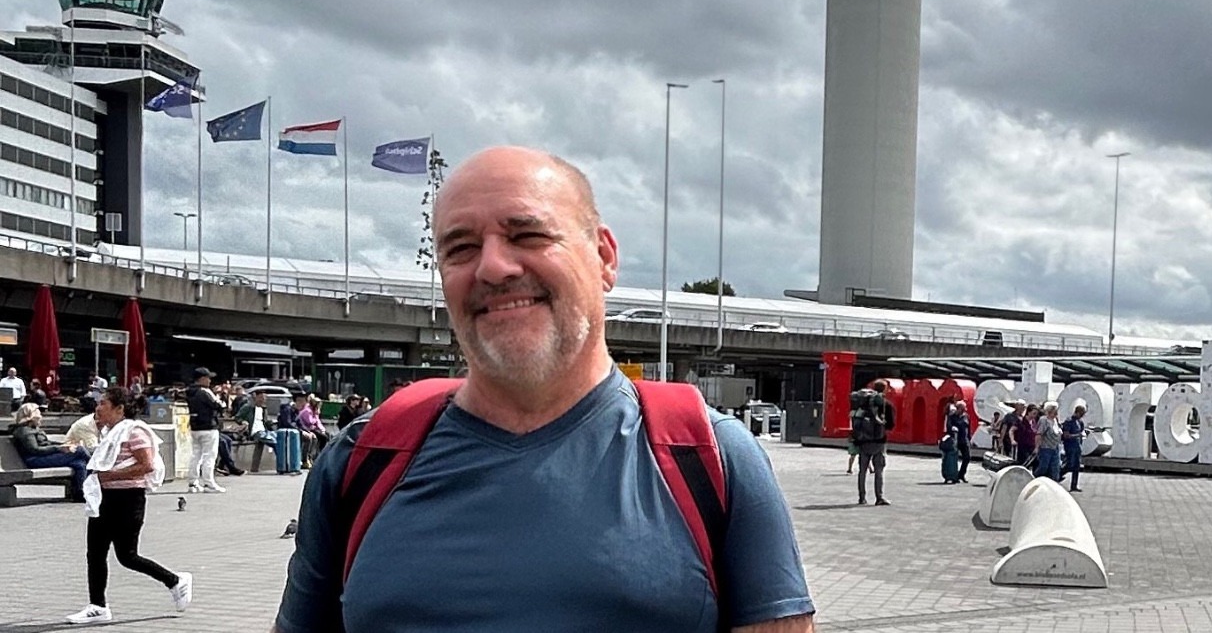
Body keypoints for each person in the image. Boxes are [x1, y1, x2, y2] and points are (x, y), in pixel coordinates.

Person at [275, 146, 816, 632]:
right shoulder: (361, 460)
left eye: (527, 234)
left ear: (604, 257)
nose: (492, 266)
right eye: (460, 248)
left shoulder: (711, 457)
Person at [66, 385, 192, 624]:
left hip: (128, 499)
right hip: (105, 499)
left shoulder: (135, 431)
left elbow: (146, 466)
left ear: (119, 408)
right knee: (95, 554)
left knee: (127, 556)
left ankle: (175, 580)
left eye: (103, 403)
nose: (98, 407)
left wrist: (106, 476)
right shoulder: (110, 432)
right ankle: (97, 605)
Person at [10, 403, 91, 501]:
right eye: (38, 413)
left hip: (42, 457)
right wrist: (58, 448)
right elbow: (35, 450)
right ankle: (96, 466)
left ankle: (79, 493)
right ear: (31, 415)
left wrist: (63, 445)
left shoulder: (33, 429)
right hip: (34, 460)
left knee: (80, 464)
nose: (41, 416)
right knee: (80, 451)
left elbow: (47, 443)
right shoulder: (24, 431)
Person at [850, 379, 893, 506]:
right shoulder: (886, 404)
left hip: (863, 441)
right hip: (879, 441)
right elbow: (891, 424)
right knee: (878, 470)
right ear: (885, 389)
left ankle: (862, 498)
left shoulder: (862, 404)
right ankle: (879, 497)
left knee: (862, 471)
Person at [184, 369, 225, 493]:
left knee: (196, 455)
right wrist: (219, 397)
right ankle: (209, 483)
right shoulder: (205, 392)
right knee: (209, 456)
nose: (210, 380)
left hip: (195, 427)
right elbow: (219, 405)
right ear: (201, 379)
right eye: (207, 378)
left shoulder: (189, 392)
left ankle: (193, 483)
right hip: (208, 427)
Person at [1060, 402, 1089, 492]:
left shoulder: (1080, 422)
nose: (1082, 416)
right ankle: (1058, 474)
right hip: (1070, 446)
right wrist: (1078, 435)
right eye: (1081, 414)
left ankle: (1074, 485)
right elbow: (1066, 435)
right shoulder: (1069, 421)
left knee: (1076, 466)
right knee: (1070, 464)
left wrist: (1084, 434)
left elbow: (1082, 432)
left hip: (1078, 446)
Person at [945, 401, 973, 484]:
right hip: (955, 440)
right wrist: (952, 428)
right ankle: (952, 475)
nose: (965, 409)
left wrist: (969, 439)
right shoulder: (952, 417)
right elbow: (948, 427)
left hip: (964, 440)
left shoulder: (966, 416)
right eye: (963, 408)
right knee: (953, 458)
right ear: (959, 408)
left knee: (967, 457)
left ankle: (961, 474)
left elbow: (969, 428)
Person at [1034, 403, 1062, 480]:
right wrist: (1036, 447)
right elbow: (1039, 434)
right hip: (1046, 448)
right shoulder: (1044, 420)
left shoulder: (1055, 420)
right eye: (1054, 411)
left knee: (1055, 469)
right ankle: (1034, 478)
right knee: (1043, 467)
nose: (1056, 413)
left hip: (1055, 448)